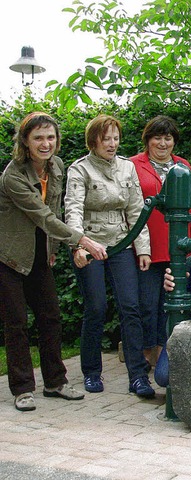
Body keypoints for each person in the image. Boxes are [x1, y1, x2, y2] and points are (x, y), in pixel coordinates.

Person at [0, 112, 108, 411]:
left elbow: (55, 210)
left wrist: (53, 249)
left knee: (50, 317)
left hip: (39, 250)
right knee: (17, 323)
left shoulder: (57, 167)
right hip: (8, 255)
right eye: (38, 138)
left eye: (50, 137)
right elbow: (43, 215)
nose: (45, 143)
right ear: (25, 141)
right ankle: (22, 389)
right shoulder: (13, 175)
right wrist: (81, 240)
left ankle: (55, 382)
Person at [65, 114, 156, 399]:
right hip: (90, 242)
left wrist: (143, 249)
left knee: (130, 307)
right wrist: (78, 245)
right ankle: (91, 372)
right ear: (93, 140)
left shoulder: (127, 168)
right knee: (96, 307)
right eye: (106, 139)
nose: (112, 144)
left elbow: (136, 211)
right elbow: (73, 209)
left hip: (121, 243)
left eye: (116, 138)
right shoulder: (79, 169)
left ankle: (138, 376)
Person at [131, 115, 191, 366]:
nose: (163, 143)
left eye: (168, 138)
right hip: (146, 249)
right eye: (157, 137)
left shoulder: (183, 166)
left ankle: (166, 355)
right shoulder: (132, 165)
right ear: (147, 139)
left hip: (178, 249)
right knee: (147, 305)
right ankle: (145, 354)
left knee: (172, 305)